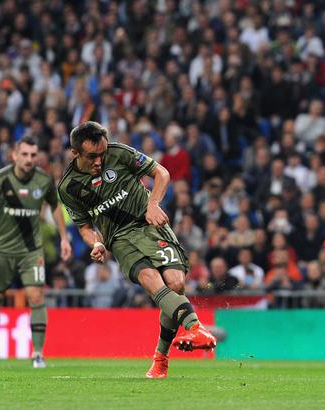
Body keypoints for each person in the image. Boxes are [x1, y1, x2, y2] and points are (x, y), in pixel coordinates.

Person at [57, 121, 216, 379]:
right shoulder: (68, 187)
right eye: (92, 156)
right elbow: (84, 226)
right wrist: (96, 243)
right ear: (75, 153)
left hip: (150, 223)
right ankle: (195, 326)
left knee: (176, 284)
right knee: (150, 279)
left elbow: (161, 173)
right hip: (119, 238)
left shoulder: (120, 153)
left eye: (102, 153)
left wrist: (154, 203)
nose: (99, 161)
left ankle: (160, 358)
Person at [0, 136, 72, 369]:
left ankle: (38, 354)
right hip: (1, 250)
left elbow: (55, 206)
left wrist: (63, 237)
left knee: (37, 297)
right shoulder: (0, 179)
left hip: (31, 251)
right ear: (14, 155)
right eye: (25, 154)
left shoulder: (43, 180)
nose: (30, 159)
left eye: (33, 155)